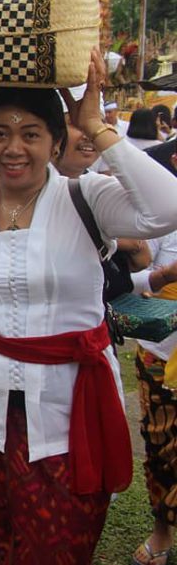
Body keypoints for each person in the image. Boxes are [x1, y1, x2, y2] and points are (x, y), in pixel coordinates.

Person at [0, 51, 177, 564]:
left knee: (59, 548)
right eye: (0, 133)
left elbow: (167, 207)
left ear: (56, 141)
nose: (14, 148)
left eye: (31, 134)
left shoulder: (87, 197)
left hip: (71, 415)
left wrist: (95, 123)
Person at [129, 232, 177, 565]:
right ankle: (162, 531)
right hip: (160, 355)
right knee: (161, 450)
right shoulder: (164, 204)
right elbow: (131, 273)